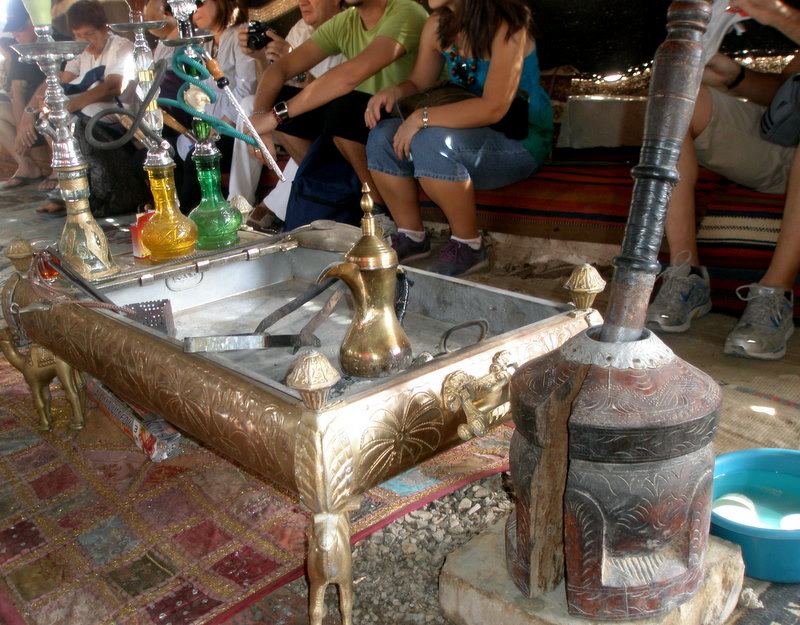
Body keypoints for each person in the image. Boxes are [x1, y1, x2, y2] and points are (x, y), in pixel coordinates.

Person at [645, 0, 800, 360]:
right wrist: (735, 77)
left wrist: (783, 17)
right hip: (782, 152)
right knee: (681, 101)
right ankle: (687, 276)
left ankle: (774, 295)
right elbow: (788, 94)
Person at [363, 0, 553, 276]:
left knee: (431, 140)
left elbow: (494, 108)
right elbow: (418, 83)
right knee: (382, 136)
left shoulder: (508, 24)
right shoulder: (438, 24)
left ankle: (468, 245)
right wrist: (395, 91)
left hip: (518, 139)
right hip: (462, 130)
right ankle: (411, 237)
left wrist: (421, 118)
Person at [247, 0, 430, 211]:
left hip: (405, 112)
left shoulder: (406, 11)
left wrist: (274, 118)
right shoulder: (347, 21)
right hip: (362, 113)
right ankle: (331, 192)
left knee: (344, 108)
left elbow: (350, 76)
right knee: (282, 98)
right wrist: (260, 116)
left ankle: (378, 210)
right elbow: (281, 68)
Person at [229, 0, 343, 212]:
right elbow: (272, 84)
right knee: (249, 105)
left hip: (328, 119)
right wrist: (261, 59)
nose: (303, 2)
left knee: (288, 117)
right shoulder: (301, 29)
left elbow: (335, 96)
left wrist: (295, 67)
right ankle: (238, 201)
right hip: (291, 118)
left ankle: (273, 208)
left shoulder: (347, 27)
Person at [33, 0, 136, 213]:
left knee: (80, 118)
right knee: (50, 121)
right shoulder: (82, 50)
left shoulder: (121, 46)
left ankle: (97, 193)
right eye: (78, 36)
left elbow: (113, 87)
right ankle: (70, 185)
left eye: (90, 34)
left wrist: (70, 106)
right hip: (88, 108)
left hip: (121, 112)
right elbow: (64, 79)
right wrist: (48, 96)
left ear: (104, 29)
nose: (85, 41)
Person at [174, 0, 256, 212]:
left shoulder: (242, 36)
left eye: (200, 2)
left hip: (234, 128)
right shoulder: (205, 44)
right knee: (168, 155)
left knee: (196, 160)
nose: (194, 9)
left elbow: (248, 89)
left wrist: (219, 125)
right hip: (209, 127)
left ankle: (188, 218)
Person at [0, 7, 45, 189]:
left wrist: (28, 118)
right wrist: (21, 129)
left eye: (20, 29)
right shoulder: (20, 51)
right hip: (28, 116)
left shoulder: (55, 41)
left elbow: (52, 82)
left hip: (44, 110)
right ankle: (26, 166)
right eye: (14, 30)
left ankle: (58, 171)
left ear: (34, 24)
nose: (15, 34)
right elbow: (17, 91)